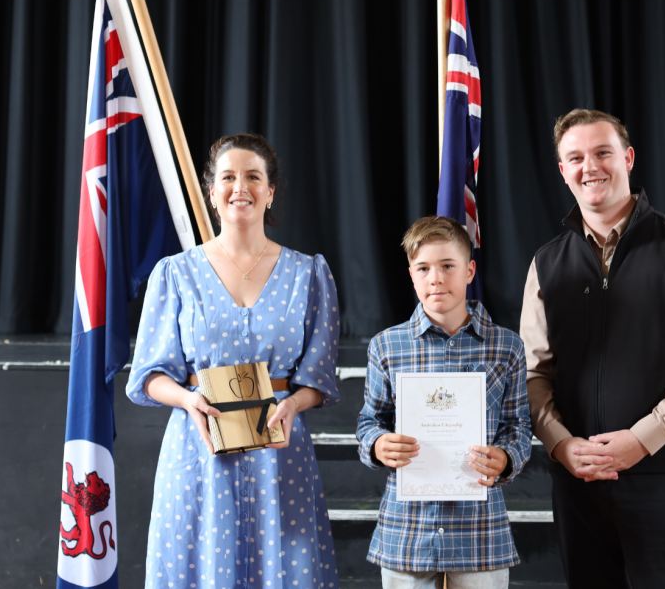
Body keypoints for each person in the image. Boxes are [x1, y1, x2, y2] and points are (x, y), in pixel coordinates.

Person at [520, 109, 665, 588]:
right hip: (579, 479)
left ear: (628, 158)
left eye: (602, 153)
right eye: (575, 157)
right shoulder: (547, 263)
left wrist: (642, 440)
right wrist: (560, 444)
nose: (589, 166)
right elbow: (535, 374)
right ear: (562, 170)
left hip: (663, 475)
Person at [126, 133, 341, 589]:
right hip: (198, 452)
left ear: (270, 191)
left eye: (252, 176)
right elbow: (148, 375)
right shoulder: (175, 273)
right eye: (228, 177)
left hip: (281, 457)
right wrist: (187, 401)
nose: (239, 186)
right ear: (211, 191)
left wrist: (294, 405)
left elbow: (319, 378)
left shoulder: (309, 273)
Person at [356, 216, 532, 589]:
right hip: (408, 530)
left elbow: (518, 427)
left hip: (479, 531)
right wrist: (377, 444)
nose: (435, 278)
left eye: (447, 266)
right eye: (424, 268)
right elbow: (370, 420)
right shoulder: (387, 346)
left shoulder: (506, 347)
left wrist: (506, 459)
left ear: (469, 271)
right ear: (411, 275)